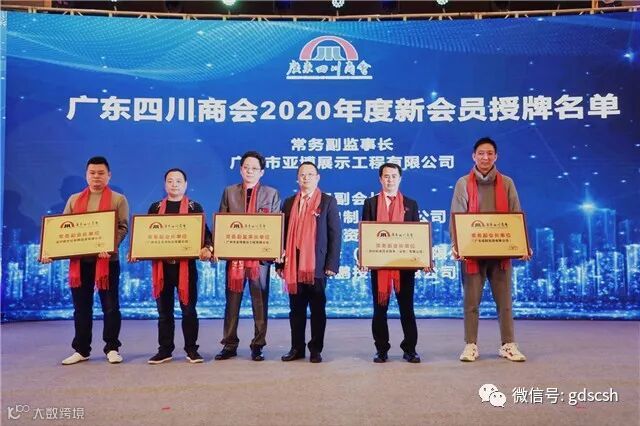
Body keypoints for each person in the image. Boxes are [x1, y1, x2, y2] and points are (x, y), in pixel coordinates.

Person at [450, 137, 531, 362]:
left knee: (505, 303)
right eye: (481, 153)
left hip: (500, 253)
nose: (485, 157)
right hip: (472, 254)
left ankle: (508, 345)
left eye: (489, 153)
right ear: (473, 156)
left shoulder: (507, 183)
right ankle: (470, 345)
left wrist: (522, 245)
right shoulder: (463, 183)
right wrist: (457, 245)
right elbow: (456, 216)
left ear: (496, 157)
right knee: (471, 302)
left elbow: (516, 215)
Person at [42, 156, 129, 365]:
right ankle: (81, 349)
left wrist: (110, 245)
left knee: (110, 307)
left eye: (101, 173)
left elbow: (123, 227)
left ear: (109, 175)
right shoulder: (74, 199)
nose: (96, 176)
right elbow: (63, 228)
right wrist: (50, 251)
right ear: (86, 175)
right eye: (92, 173)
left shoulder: (118, 199)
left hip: (107, 261)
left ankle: (112, 348)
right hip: (80, 263)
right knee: (81, 307)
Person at [362, 163, 431, 364]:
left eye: (393, 176)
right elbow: (366, 233)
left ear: (400, 179)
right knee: (379, 309)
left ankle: (410, 349)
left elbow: (417, 235)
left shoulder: (411, 204)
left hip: (405, 266)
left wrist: (424, 258)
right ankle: (381, 349)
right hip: (379, 264)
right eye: (386, 176)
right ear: (380, 179)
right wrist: (365, 258)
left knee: (407, 309)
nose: (390, 180)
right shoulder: (370, 203)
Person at [215, 151, 281, 362]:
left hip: (260, 261)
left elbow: (276, 226)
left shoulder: (271, 194)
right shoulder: (229, 192)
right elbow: (222, 223)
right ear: (240, 169)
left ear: (262, 172)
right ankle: (229, 344)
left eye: (254, 168)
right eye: (246, 167)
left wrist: (276, 250)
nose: (250, 171)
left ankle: (258, 345)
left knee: (260, 303)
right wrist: (218, 248)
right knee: (232, 303)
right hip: (235, 258)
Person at [143, 168, 213, 364]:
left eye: (178, 181)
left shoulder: (194, 207)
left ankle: (191, 349)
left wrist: (208, 247)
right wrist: (136, 251)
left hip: (186, 269)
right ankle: (165, 350)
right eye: (170, 181)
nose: (174, 184)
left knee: (189, 311)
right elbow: (146, 235)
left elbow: (205, 234)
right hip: (162, 268)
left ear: (185, 185)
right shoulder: (155, 208)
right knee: (164, 313)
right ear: (165, 184)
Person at [276, 162, 341, 363]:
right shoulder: (289, 202)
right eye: (302, 174)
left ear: (318, 177)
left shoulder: (327, 201)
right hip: (293, 264)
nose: (306, 178)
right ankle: (296, 348)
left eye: (310, 174)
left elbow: (335, 234)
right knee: (296, 309)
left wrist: (331, 264)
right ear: (297, 178)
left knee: (317, 309)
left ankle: (315, 349)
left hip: (317, 264)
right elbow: (281, 234)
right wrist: (280, 264)